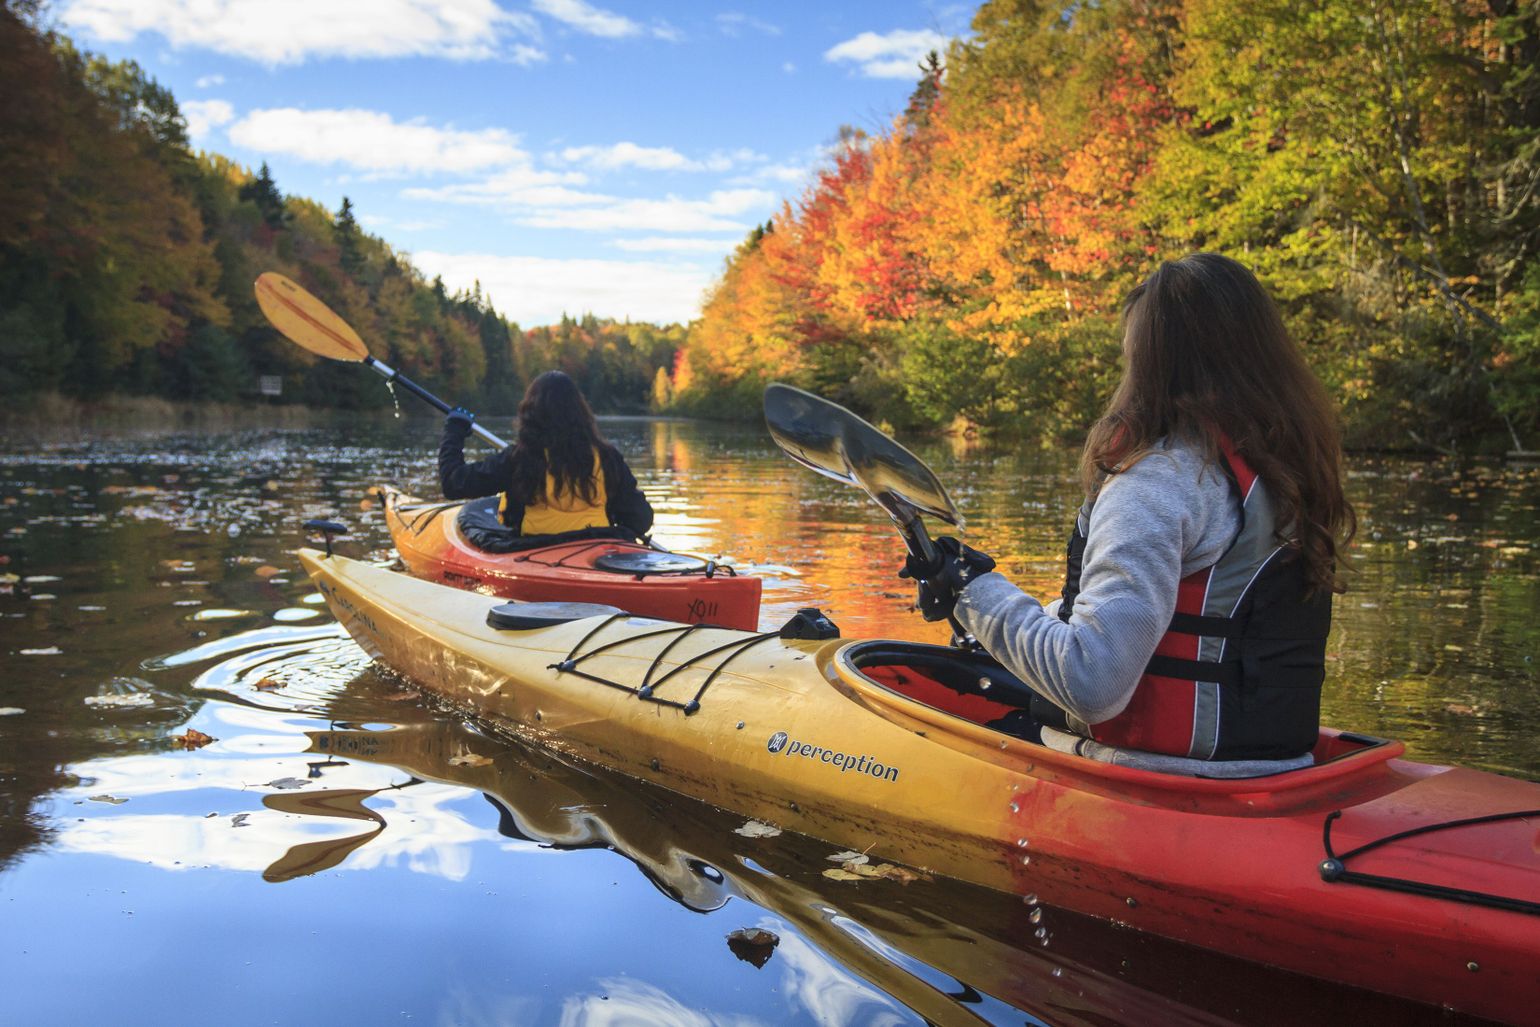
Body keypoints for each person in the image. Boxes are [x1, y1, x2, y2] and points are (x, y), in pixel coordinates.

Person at [902, 253, 1356, 776]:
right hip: (1280, 770)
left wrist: (969, 589)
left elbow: (1092, 684)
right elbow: (1184, 619)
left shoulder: (1156, 481)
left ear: (1150, 361)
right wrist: (994, 623)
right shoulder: (1286, 474)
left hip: (1156, 776)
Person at [439, 370, 654, 540]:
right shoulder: (607, 459)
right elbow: (640, 519)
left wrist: (454, 432)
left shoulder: (519, 459)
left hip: (532, 552)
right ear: (581, 413)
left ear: (530, 414)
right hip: (594, 552)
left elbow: (452, 483)